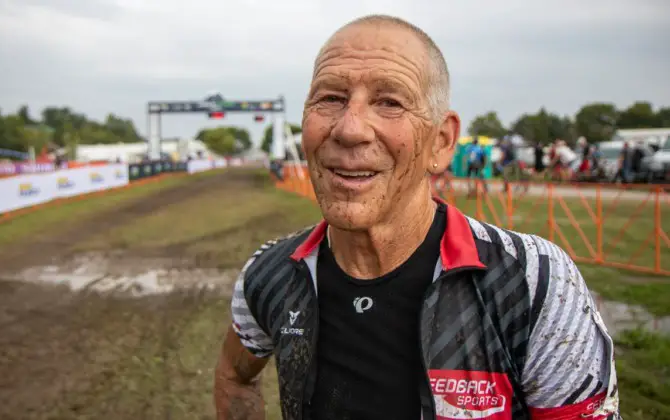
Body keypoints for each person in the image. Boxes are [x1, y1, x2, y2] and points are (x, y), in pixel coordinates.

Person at [214, 14, 621, 420]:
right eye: (331, 98)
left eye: (389, 102)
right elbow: (234, 374)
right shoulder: (271, 275)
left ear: (441, 143)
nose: (350, 129)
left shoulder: (531, 282)